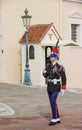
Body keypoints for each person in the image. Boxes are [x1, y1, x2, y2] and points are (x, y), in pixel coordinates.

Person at [42, 48, 67, 126]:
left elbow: (63, 77)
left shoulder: (59, 67)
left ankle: (54, 119)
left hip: (56, 86)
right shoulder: (48, 65)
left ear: (56, 57)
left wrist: (63, 88)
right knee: (52, 103)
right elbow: (45, 75)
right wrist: (44, 72)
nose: (50, 58)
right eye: (50, 56)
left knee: (53, 101)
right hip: (49, 86)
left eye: (52, 57)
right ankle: (57, 117)